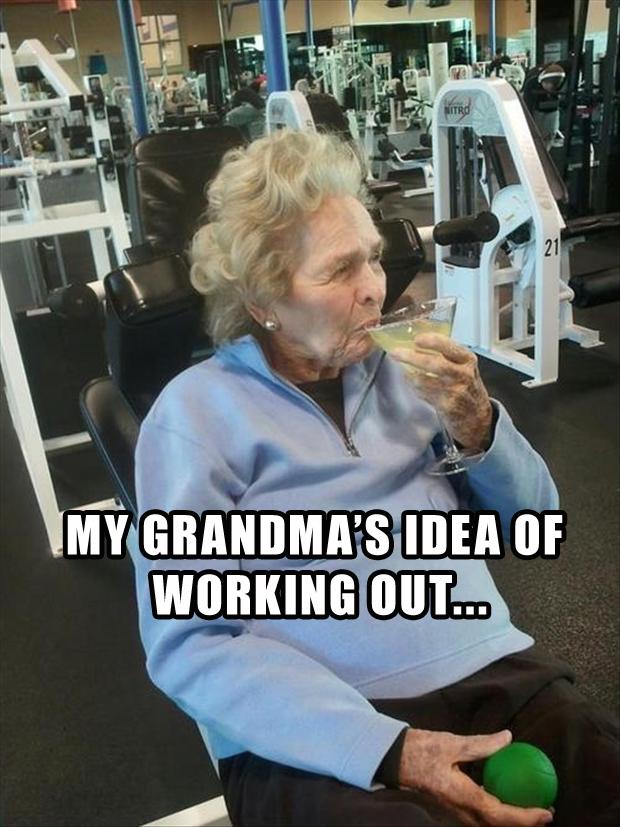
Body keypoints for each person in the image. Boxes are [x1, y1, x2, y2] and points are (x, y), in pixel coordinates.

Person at [134, 130, 619, 827]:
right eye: (339, 271)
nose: (375, 287)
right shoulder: (195, 416)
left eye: (372, 257)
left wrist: (480, 425)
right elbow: (188, 645)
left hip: (489, 670)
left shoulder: (411, 372)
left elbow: (536, 521)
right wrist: (386, 749)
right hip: (315, 724)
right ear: (264, 298)